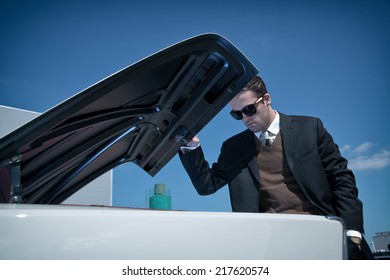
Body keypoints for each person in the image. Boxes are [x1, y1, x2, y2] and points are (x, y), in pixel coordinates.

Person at [179, 75, 373, 260]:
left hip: (322, 231)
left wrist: (352, 231)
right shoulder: (233, 148)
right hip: (269, 242)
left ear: (266, 99)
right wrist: (191, 147)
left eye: (249, 110)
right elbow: (207, 185)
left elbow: (341, 179)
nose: (246, 119)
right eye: (237, 115)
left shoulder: (310, 128)